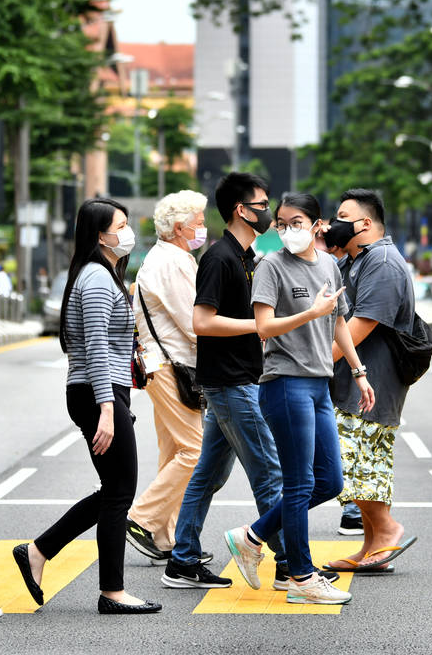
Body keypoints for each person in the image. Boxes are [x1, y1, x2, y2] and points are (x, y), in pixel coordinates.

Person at [223, 192, 374, 606]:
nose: (289, 230)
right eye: (282, 224)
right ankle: (301, 577)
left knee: (330, 481)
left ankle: (251, 536)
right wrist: (310, 313)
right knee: (300, 482)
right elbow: (264, 327)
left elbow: (338, 320)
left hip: (319, 384)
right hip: (285, 383)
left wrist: (359, 372)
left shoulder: (328, 264)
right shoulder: (270, 265)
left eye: (297, 223)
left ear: (317, 225)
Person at [13, 199, 162, 614]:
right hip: (98, 392)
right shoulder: (96, 278)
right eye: (121, 225)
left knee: (115, 489)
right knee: (120, 492)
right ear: (100, 235)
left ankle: (39, 551)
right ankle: (112, 592)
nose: (128, 232)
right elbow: (95, 345)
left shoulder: (104, 274)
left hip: (103, 390)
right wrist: (108, 409)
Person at [160, 173, 288, 591]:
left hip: (235, 380)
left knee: (208, 475)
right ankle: (292, 564)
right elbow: (202, 321)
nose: (268, 211)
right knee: (269, 473)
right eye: (262, 204)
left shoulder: (247, 256)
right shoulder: (220, 258)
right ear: (241, 210)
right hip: (231, 383)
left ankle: (182, 560)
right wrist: (258, 326)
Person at [321, 188, 419, 573]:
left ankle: (388, 529)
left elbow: (359, 326)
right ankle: (371, 545)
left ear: (365, 223)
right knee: (364, 466)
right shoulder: (358, 259)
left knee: (354, 462)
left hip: (372, 380)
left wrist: (313, 363)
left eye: (343, 217)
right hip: (355, 381)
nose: (335, 223)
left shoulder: (383, 262)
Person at [125, 190, 210, 562]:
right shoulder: (174, 262)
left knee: (174, 450)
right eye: (199, 223)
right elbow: (194, 322)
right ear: (179, 228)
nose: (203, 229)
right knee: (195, 450)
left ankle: (165, 536)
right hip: (171, 366)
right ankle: (141, 517)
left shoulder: (163, 257)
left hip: (161, 366)